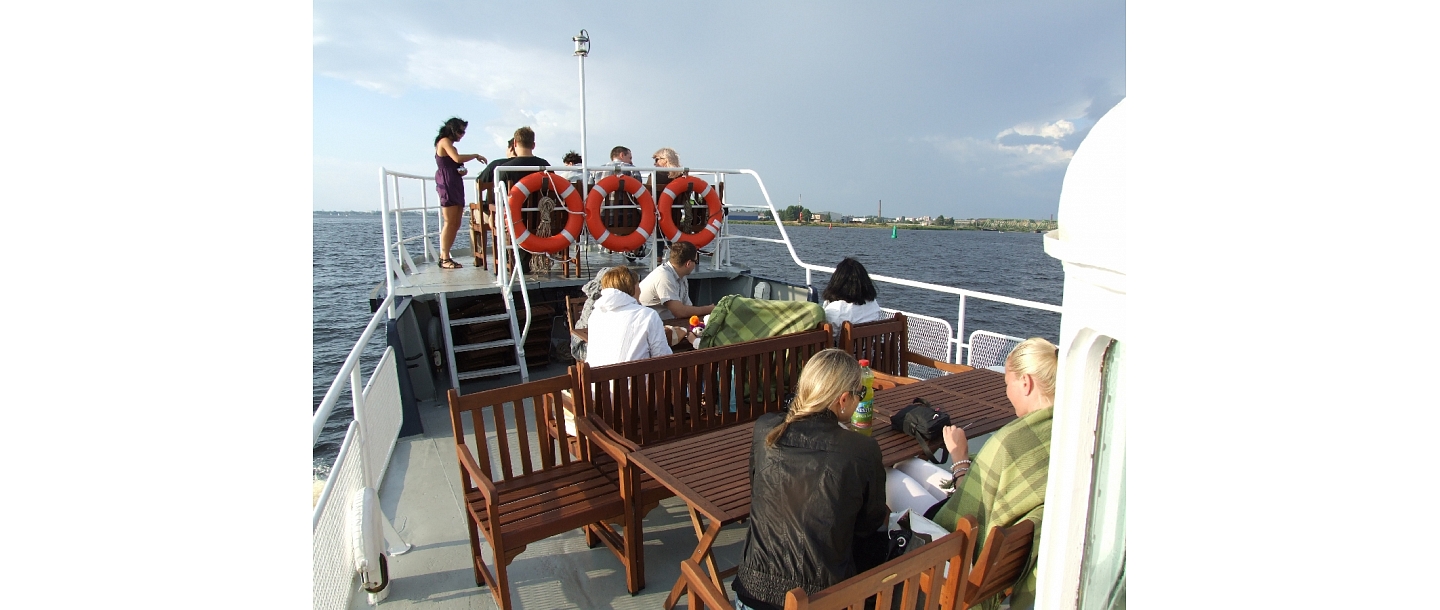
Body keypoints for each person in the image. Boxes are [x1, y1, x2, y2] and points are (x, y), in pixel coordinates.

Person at [731, 348, 888, 610]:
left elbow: (758, 486)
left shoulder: (766, 429)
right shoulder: (861, 450)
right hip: (824, 599)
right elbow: (868, 524)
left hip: (752, 594)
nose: (860, 400)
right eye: (860, 394)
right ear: (843, 399)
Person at [932, 337, 1058, 610]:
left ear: (1026, 383)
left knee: (901, 486)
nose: (1006, 392)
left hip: (968, 575)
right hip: (1012, 570)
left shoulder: (1009, 444)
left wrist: (959, 459)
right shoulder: (1066, 431)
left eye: (1007, 383)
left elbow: (967, 516)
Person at [583, 267, 675, 367]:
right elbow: (662, 358)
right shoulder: (647, 315)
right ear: (633, 288)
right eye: (638, 284)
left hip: (597, 381)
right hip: (634, 382)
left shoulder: (596, 314)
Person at [433, 117, 487, 269]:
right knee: (449, 222)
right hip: (447, 183)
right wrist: (476, 155)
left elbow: (454, 162)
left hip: (455, 181)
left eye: (463, 132)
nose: (462, 135)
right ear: (452, 130)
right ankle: (444, 257)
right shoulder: (444, 141)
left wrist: (461, 170)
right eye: (460, 131)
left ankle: (446, 256)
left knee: (456, 222)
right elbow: (456, 158)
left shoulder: (450, 144)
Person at [638, 241, 715, 323]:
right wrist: (709, 309)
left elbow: (687, 307)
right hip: (650, 326)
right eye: (695, 261)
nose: (695, 264)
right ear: (688, 263)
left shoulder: (681, 276)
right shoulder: (664, 276)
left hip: (665, 322)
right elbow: (680, 312)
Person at [821, 257, 887, 336]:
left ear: (837, 282)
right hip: (868, 348)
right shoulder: (872, 304)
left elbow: (828, 336)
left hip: (843, 348)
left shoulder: (836, 309)